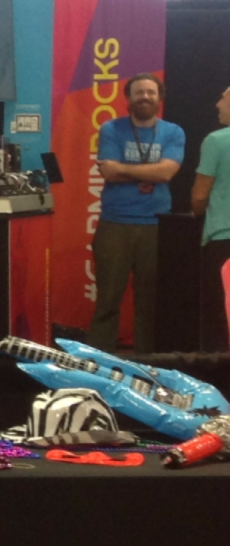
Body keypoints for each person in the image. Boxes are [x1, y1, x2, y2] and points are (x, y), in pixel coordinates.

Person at [92, 74, 184, 353]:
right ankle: (99, 363)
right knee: (107, 300)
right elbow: (108, 172)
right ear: (128, 98)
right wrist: (149, 173)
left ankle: (149, 364)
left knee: (150, 303)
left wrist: (123, 169)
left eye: (150, 92)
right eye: (139, 92)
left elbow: (167, 173)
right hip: (114, 224)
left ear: (160, 97)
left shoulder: (173, 132)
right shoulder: (111, 128)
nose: (145, 96)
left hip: (157, 225)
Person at [189, 84, 230, 351]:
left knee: (220, 320)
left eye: (223, 99)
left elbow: (199, 197)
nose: (217, 104)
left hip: (223, 241)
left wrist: (199, 210)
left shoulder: (216, 141)